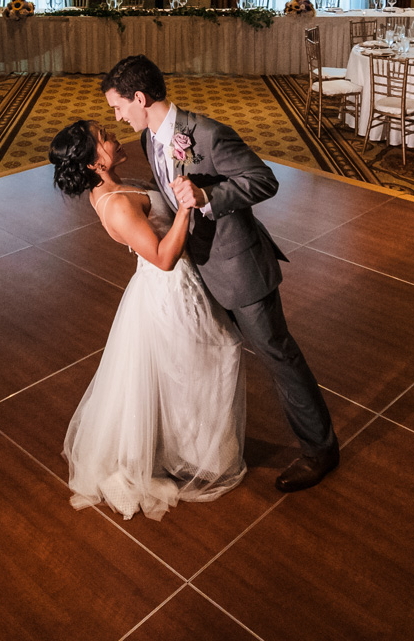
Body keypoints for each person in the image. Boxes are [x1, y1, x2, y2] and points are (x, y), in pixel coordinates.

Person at [99, 54, 340, 492]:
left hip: (238, 266)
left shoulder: (206, 134)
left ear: (139, 97)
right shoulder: (151, 139)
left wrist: (207, 194)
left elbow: (264, 180)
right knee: (212, 355)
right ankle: (199, 447)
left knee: (277, 354)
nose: (117, 116)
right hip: (196, 270)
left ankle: (320, 449)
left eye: (119, 106)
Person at [52, 120, 246, 520]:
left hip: (171, 285)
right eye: (103, 138)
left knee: (191, 368)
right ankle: (199, 453)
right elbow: (161, 257)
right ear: (92, 163)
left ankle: (196, 447)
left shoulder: (111, 186)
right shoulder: (118, 203)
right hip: (170, 291)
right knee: (213, 358)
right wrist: (186, 209)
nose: (112, 137)